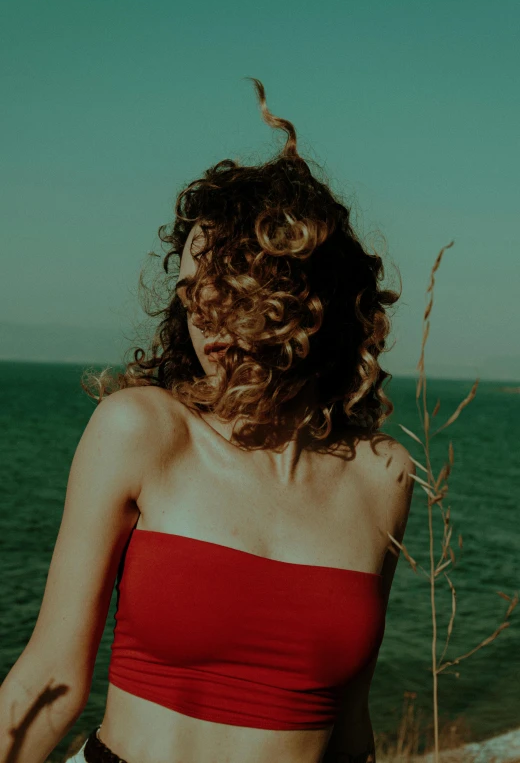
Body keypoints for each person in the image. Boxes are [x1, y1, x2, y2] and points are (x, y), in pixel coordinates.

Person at [0, 77, 415, 763]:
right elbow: (51, 678)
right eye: (194, 290)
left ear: (304, 301)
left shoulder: (382, 474)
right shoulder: (141, 430)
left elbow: (348, 730)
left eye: (235, 287)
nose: (204, 315)